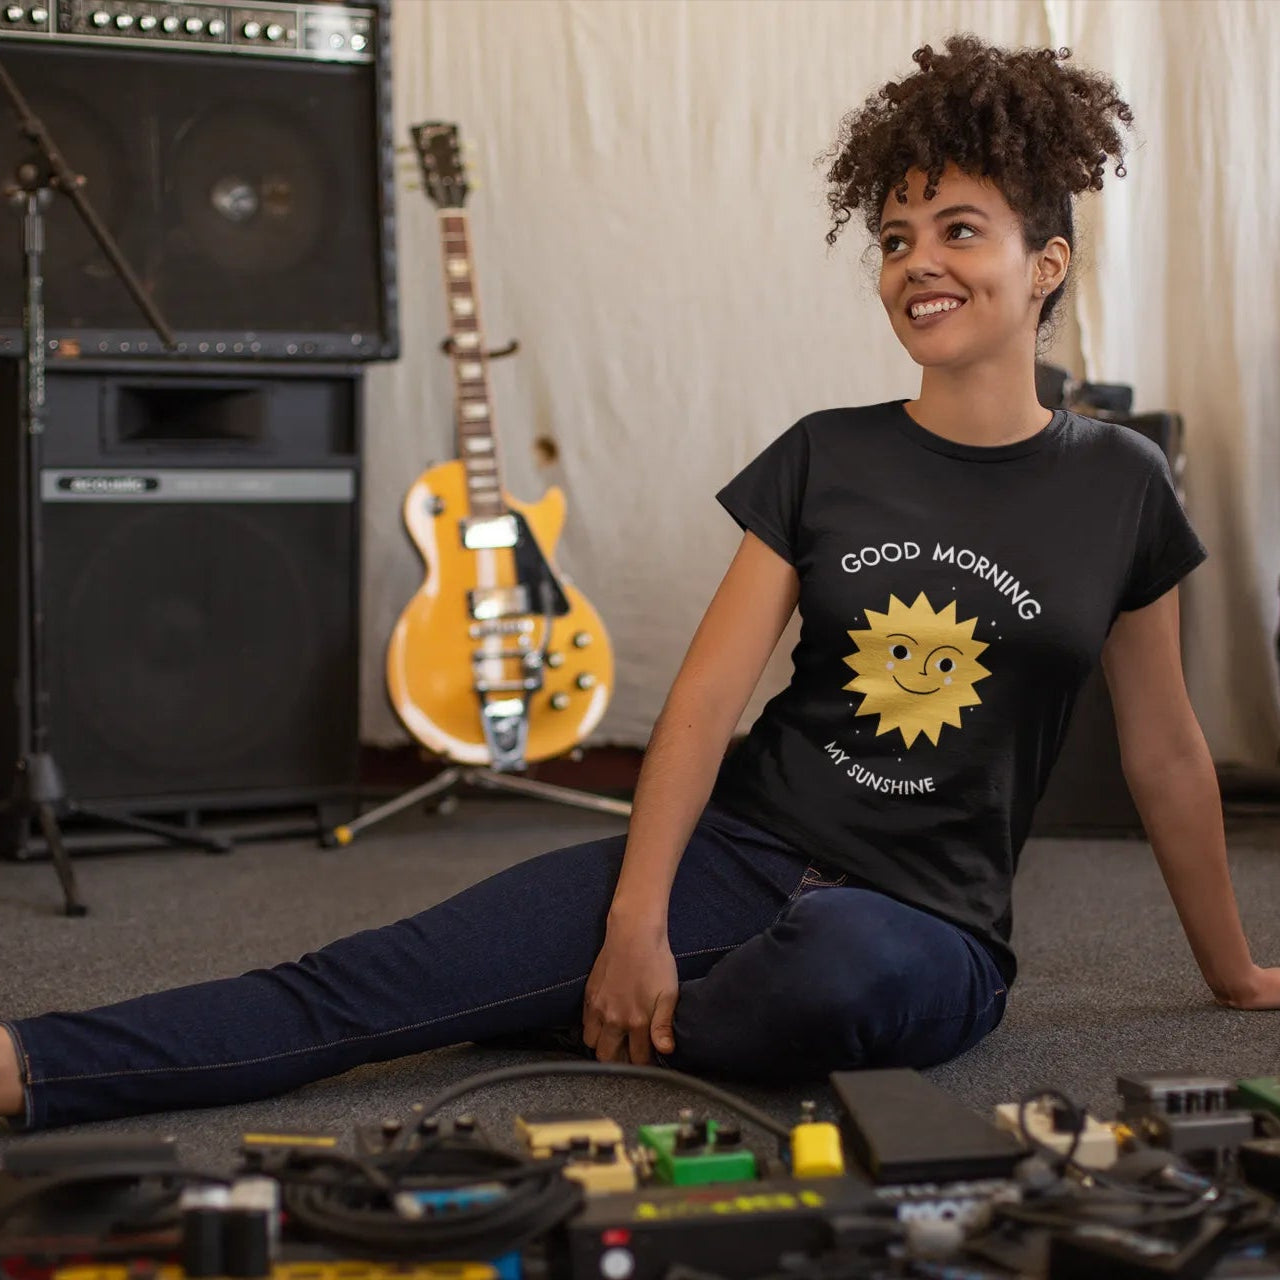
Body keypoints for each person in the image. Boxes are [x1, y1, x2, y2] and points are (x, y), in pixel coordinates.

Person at [3, 34, 1275, 1134]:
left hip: (924, 928)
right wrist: (635, 913)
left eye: (957, 230)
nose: (915, 263)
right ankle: (34, 1061)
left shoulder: (1118, 483)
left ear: (1043, 263)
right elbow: (704, 700)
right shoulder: (824, 452)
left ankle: (591, 1018)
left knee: (835, 970)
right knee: (369, 980)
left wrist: (1229, 974)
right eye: (892, 237)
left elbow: (1163, 747)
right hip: (740, 851)